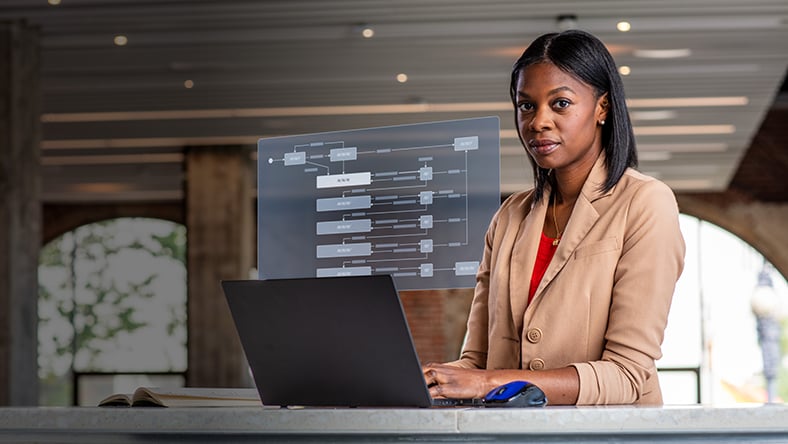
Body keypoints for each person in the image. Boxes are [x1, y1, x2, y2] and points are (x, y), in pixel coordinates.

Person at [422, 29, 686, 405]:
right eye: (526, 105)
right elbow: (477, 362)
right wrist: (426, 379)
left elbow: (627, 375)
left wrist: (488, 382)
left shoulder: (645, 202)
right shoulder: (510, 216)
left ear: (602, 108)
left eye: (560, 104)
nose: (538, 122)